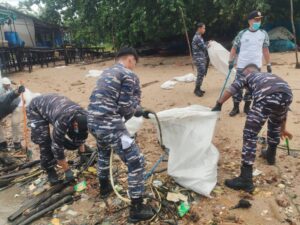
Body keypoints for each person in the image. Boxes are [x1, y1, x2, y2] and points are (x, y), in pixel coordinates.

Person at [88, 47, 154, 223]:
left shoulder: (106, 71)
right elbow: (125, 108)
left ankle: (104, 188)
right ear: (131, 59)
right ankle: (137, 209)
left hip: (92, 122)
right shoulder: (129, 74)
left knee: (103, 152)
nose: (134, 66)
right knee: (136, 161)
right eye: (135, 63)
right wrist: (137, 107)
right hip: (109, 124)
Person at [212, 64, 293, 192]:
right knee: (274, 123)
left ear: (248, 71)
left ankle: (245, 179)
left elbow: (233, 88)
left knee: (250, 134)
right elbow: (282, 113)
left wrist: (218, 104)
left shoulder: (248, 75)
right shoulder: (269, 76)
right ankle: (270, 155)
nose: (245, 87)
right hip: (287, 94)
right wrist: (283, 129)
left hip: (267, 96)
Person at [27, 94, 88, 185]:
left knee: (76, 136)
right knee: (44, 141)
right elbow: (57, 148)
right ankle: (49, 169)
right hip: (36, 109)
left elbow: (81, 135)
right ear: (75, 124)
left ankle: (62, 140)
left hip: (55, 107)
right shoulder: (63, 120)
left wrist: (83, 154)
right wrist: (67, 170)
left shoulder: (86, 116)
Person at [228, 10, 271, 116]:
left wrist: (268, 64)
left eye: (260, 20)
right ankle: (235, 108)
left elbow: (265, 50)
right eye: (256, 20)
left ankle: (247, 107)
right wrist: (230, 61)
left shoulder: (263, 34)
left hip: (256, 67)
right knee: (237, 87)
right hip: (242, 66)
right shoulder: (242, 34)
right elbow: (234, 47)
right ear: (249, 21)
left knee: (251, 88)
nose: (258, 22)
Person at [0, 78, 24, 151]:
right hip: (4, 109)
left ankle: (17, 142)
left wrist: (18, 91)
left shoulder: (2, 97)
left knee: (15, 123)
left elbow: (10, 96)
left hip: (15, 104)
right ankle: (2, 143)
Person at [192, 22, 210, 97]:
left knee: (201, 73)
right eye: (203, 28)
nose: (204, 30)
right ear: (199, 28)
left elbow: (203, 45)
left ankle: (198, 88)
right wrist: (209, 44)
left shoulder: (199, 36)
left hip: (200, 57)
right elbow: (204, 47)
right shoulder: (197, 37)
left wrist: (208, 42)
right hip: (198, 58)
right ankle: (196, 90)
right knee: (201, 73)